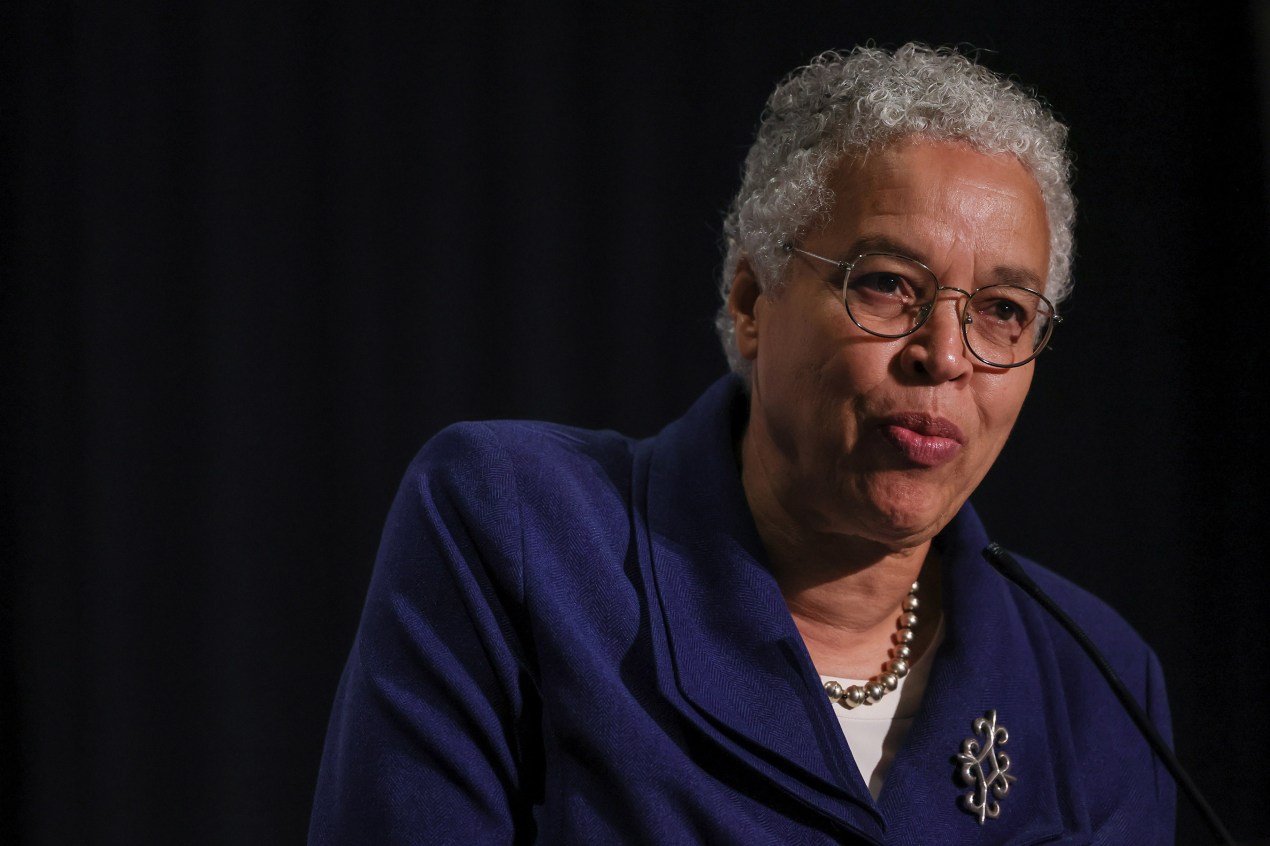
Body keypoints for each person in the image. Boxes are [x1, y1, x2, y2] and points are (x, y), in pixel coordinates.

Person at [309, 43, 1175, 843]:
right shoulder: (515, 533)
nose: (945, 357)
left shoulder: (1094, 685)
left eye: (1003, 312)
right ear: (752, 300)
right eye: (886, 286)